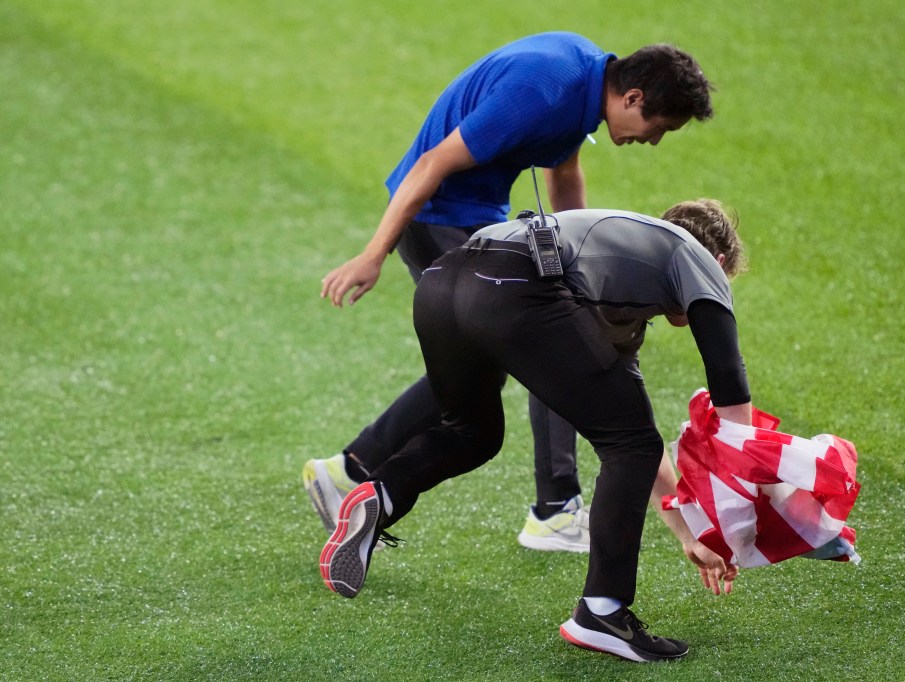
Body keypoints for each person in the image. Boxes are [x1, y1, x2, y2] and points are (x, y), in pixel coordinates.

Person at [305, 32, 715, 553]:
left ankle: (352, 470)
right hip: (438, 218)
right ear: (633, 98)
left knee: (507, 352)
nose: (653, 140)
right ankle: (554, 510)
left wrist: (576, 263)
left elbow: (563, 172)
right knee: (547, 346)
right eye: (659, 127)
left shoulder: (581, 84)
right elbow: (431, 162)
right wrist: (373, 253)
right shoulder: (543, 90)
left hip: (476, 219)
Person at [319, 199, 750, 663]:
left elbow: (635, 431)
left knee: (473, 432)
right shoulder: (696, 256)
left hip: (443, 281)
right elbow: (728, 382)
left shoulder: (620, 283)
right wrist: (747, 507)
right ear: (720, 262)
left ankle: (383, 492)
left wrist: (689, 534)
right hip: (511, 284)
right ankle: (602, 611)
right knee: (630, 444)